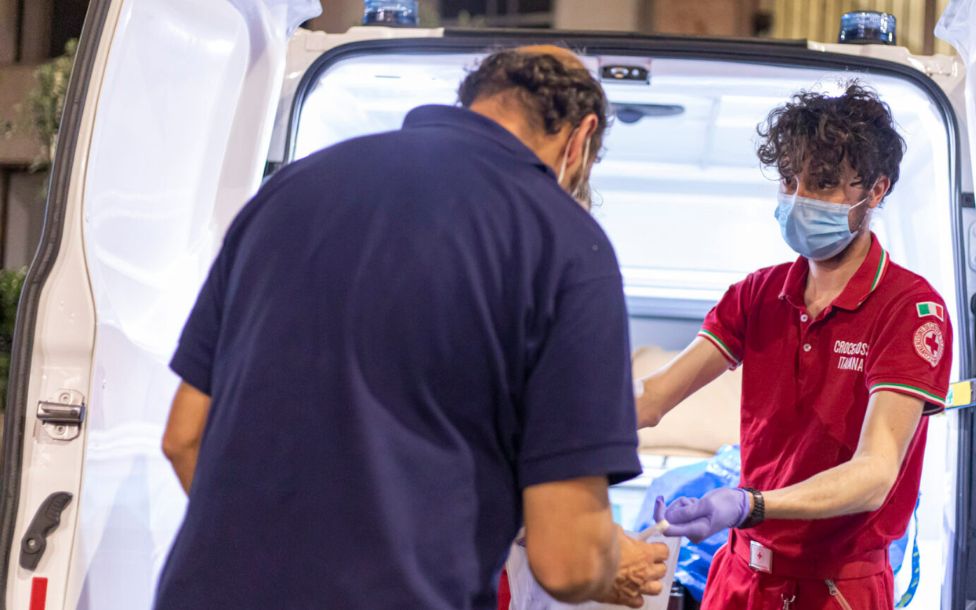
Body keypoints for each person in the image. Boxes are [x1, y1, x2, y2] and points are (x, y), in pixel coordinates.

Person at [157, 45, 668, 610]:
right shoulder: (566, 242)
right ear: (580, 140)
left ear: (475, 102)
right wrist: (614, 559)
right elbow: (568, 563)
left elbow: (184, 437)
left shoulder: (288, 191)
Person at [638, 83, 953, 609]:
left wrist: (750, 504)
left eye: (824, 184)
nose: (799, 197)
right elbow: (653, 397)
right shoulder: (758, 294)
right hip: (740, 577)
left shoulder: (911, 309)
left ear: (876, 191)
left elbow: (875, 474)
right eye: (789, 180)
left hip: (835, 588)